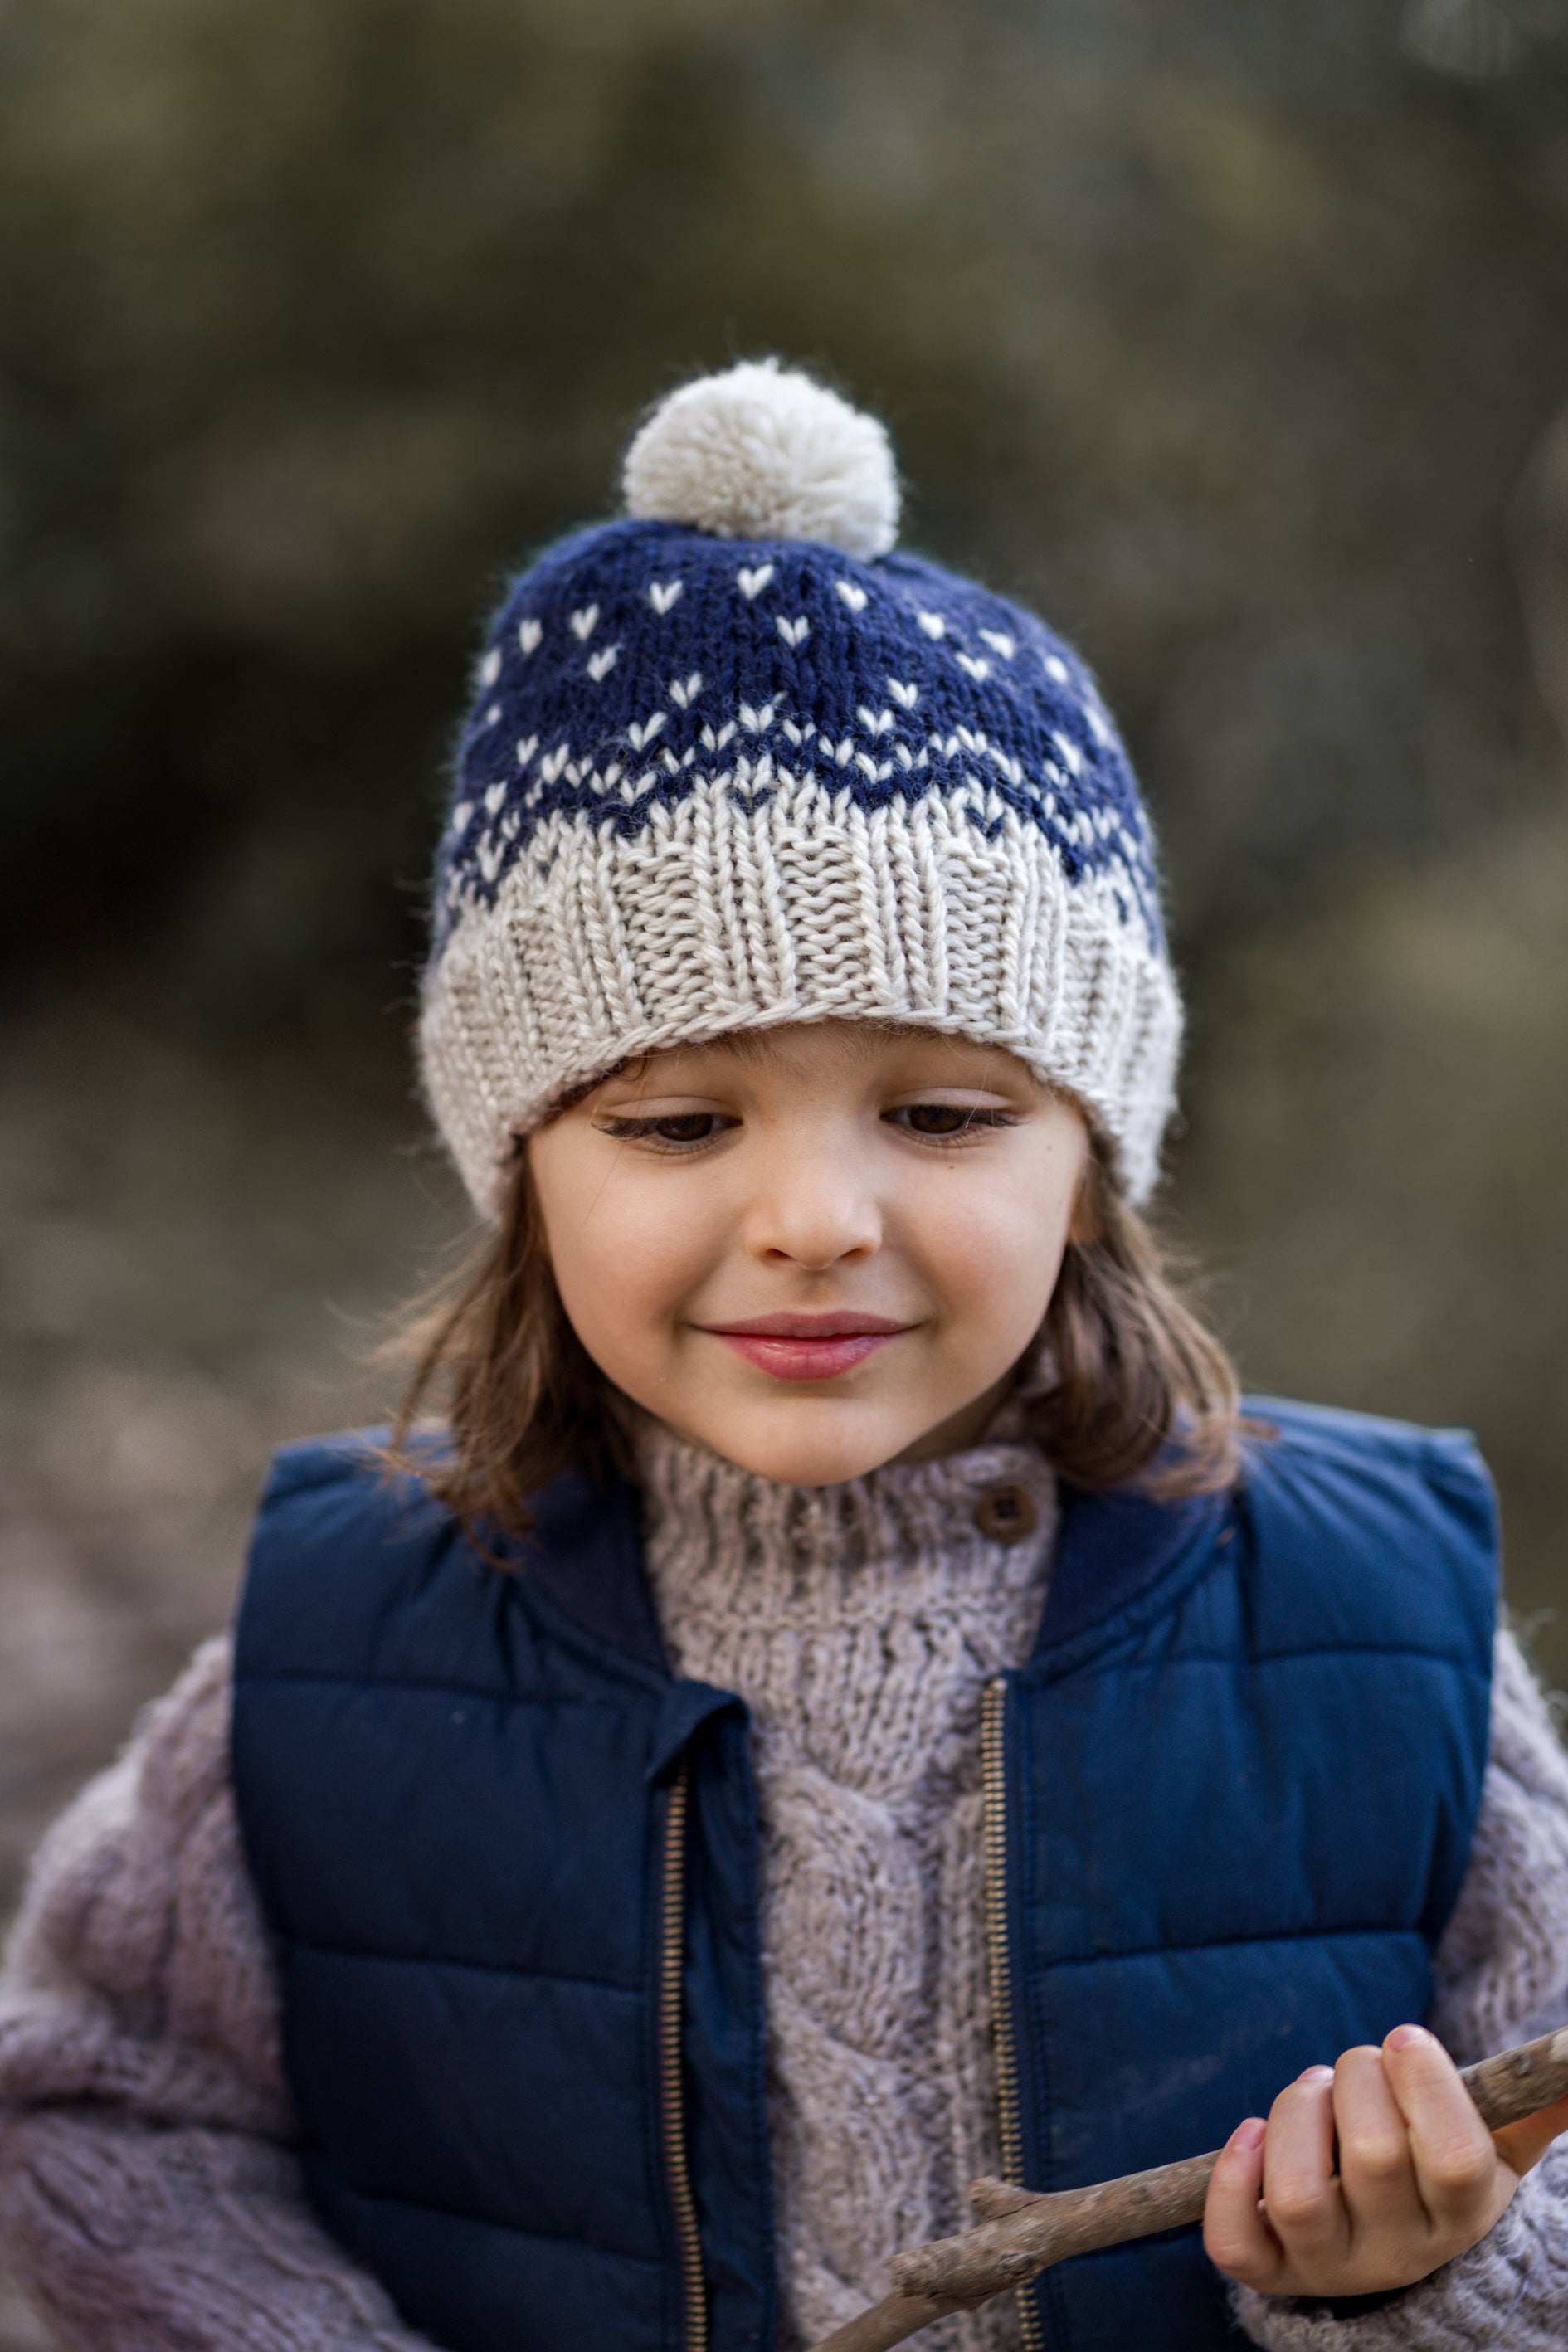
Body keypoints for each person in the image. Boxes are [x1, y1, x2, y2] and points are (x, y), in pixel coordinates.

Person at [2, 361, 1567, 2352]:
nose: (815, 1214)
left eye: (939, 1114)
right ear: (525, 1168)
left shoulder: (1370, 1618)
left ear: (1091, 1161)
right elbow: (105, 2107)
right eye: (675, 1124)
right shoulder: (333, 1656)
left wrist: (1435, 2275)